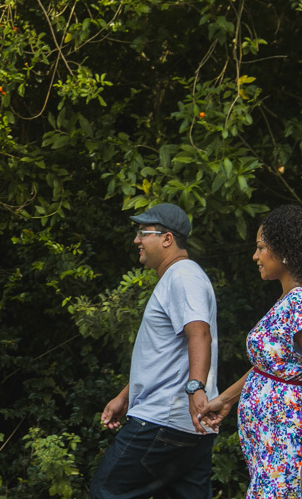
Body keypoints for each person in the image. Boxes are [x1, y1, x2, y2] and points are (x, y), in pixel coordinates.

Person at [199, 205, 302, 498]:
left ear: (284, 251)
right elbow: (273, 366)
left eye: (261, 248)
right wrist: (227, 399)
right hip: (277, 449)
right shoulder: (288, 299)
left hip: (298, 447)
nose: (255, 256)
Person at [89, 203, 219, 499]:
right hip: (185, 426)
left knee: (105, 492)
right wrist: (125, 397)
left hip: (163, 419)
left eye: (142, 233)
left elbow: (199, 333)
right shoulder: (180, 277)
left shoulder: (182, 275)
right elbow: (166, 356)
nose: (136, 240)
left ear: (167, 239)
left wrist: (195, 389)